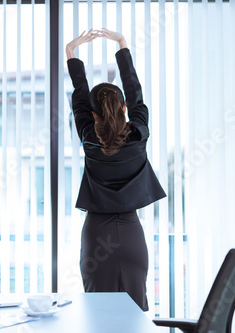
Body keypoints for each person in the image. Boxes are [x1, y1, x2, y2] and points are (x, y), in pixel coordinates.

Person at [66, 28, 166, 311]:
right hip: (132, 236)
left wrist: (71, 52)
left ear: (93, 114)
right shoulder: (139, 132)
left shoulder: (88, 137)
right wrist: (122, 44)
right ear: (124, 108)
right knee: (134, 318)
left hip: (97, 236)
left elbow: (80, 93)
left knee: (99, 316)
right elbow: (135, 91)